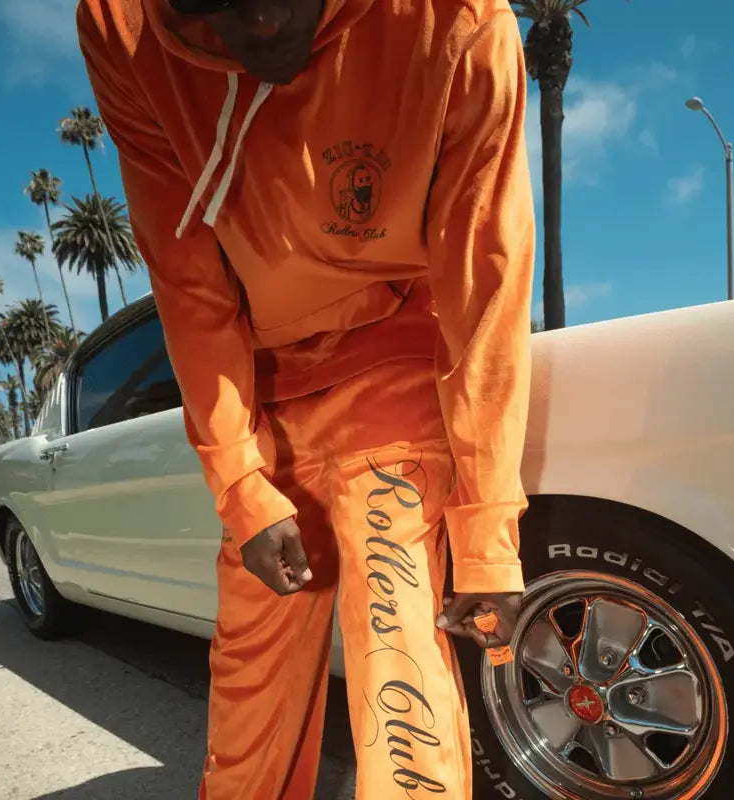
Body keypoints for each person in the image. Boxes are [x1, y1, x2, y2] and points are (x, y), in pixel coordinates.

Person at [76, 1, 535, 798]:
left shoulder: (454, 21)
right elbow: (188, 280)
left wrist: (488, 530)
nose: (249, 35)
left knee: (399, 677)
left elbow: (483, 279)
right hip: (263, 407)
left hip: (391, 367)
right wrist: (243, 487)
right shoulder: (119, 27)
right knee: (248, 704)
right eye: (214, 15)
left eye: (268, 4)